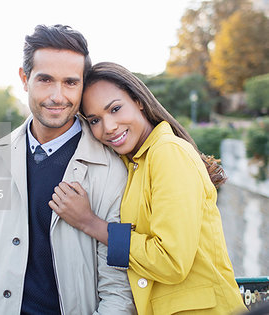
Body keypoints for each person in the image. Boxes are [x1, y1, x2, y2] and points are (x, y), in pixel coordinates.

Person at [0, 27, 136, 314]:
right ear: (24, 79)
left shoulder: (111, 169)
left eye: (70, 82)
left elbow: (118, 284)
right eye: (45, 80)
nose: (58, 96)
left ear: (82, 86)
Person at [50, 62, 248, 315]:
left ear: (139, 101)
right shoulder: (134, 163)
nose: (108, 127)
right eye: (95, 120)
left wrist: (90, 223)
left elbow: (171, 261)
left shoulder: (167, 152)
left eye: (116, 109)